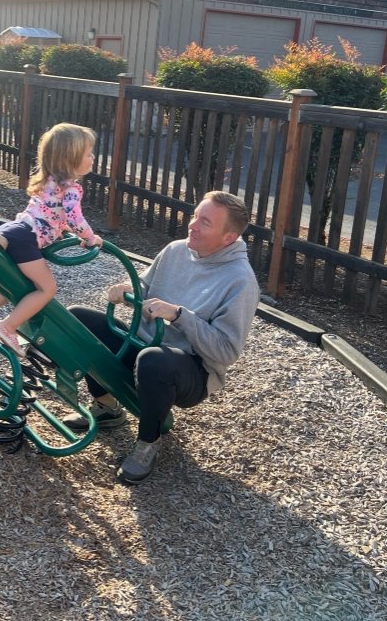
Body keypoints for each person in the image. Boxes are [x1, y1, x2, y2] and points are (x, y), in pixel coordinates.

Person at [63, 190, 260, 484]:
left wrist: (180, 315)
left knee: (153, 360)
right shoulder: (176, 250)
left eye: (205, 222)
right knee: (77, 319)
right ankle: (106, 407)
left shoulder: (240, 281)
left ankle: (148, 441)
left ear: (228, 238)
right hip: (143, 344)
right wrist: (126, 289)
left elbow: (226, 352)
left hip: (189, 370)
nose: (192, 225)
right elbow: (144, 288)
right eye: (195, 216)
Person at [0, 123, 103, 355]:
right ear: (70, 158)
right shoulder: (71, 189)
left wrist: (61, 230)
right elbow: (75, 218)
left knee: (15, 281)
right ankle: (8, 326)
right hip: (26, 238)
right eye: (88, 154)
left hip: (14, 230)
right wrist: (90, 238)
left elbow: (51, 213)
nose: (93, 158)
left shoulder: (48, 180)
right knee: (47, 289)